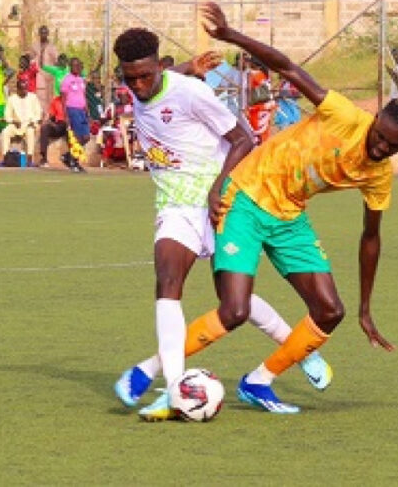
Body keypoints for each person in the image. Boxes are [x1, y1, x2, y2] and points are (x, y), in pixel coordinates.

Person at [140, 1, 398, 415]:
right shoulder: (344, 116)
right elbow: (288, 67)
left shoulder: (380, 175)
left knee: (331, 311)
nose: (381, 147)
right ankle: (157, 374)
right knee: (234, 309)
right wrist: (231, 35)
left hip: (290, 215)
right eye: (380, 136)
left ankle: (259, 381)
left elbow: (371, 238)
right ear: (375, 118)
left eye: (393, 146)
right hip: (246, 196)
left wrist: (366, 307)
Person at [111, 27, 333, 421]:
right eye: (131, 78)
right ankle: (173, 390)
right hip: (175, 205)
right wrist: (187, 66)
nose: (139, 86)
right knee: (167, 282)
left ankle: (297, 348)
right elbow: (161, 81)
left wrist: (217, 189)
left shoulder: (191, 93)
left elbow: (244, 139)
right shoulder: (146, 83)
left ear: (158, 67)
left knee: (234, 302)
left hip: (221, 201)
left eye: (145, 76)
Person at [60, 57, 90, 173]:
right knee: (77, 137)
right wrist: (66, 115)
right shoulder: (67, 80)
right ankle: (74, 162)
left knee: (86, 137)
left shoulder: (81, 80)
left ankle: (68, 156)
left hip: (82, 110)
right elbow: (63, 98)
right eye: (74, 66)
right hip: (72, 110)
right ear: (70, 67)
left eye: (78, 66)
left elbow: (83, 95)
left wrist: (87, 109)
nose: (77, 68)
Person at [2, 77, 42, 161]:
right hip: (16, 125)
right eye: (22, 89)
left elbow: (38, 112)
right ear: (18, 89)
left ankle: (30, 158)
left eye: (25, 89)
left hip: (29, 124)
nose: (24, 91)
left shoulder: (33, 97)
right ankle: (5, 157)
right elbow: (6, 115)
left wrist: (33, 121)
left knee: (30, 132)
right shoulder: (11, 99)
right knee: (5, 132)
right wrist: (13, 121)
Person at [29, 26, 59, 111]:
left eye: (45, 33)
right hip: (39, 73)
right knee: (41, 95)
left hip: (50, 75)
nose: (43, 35)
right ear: (39, 34)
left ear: (48, 34)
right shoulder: (35, 46)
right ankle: (42, 114)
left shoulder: (52, 47)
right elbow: (31, 57)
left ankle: (49, 115)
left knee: (50, 96)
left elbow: (56, 61)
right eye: (42, 33)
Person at [38, 93, 68, 168]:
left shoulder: (72, 102)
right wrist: (51, 123)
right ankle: (44, 158)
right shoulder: (56, 101)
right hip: (57, 125)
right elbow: (51, 116)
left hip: (68, 125)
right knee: (44, 128)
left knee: (72, 131)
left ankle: (70, 158)